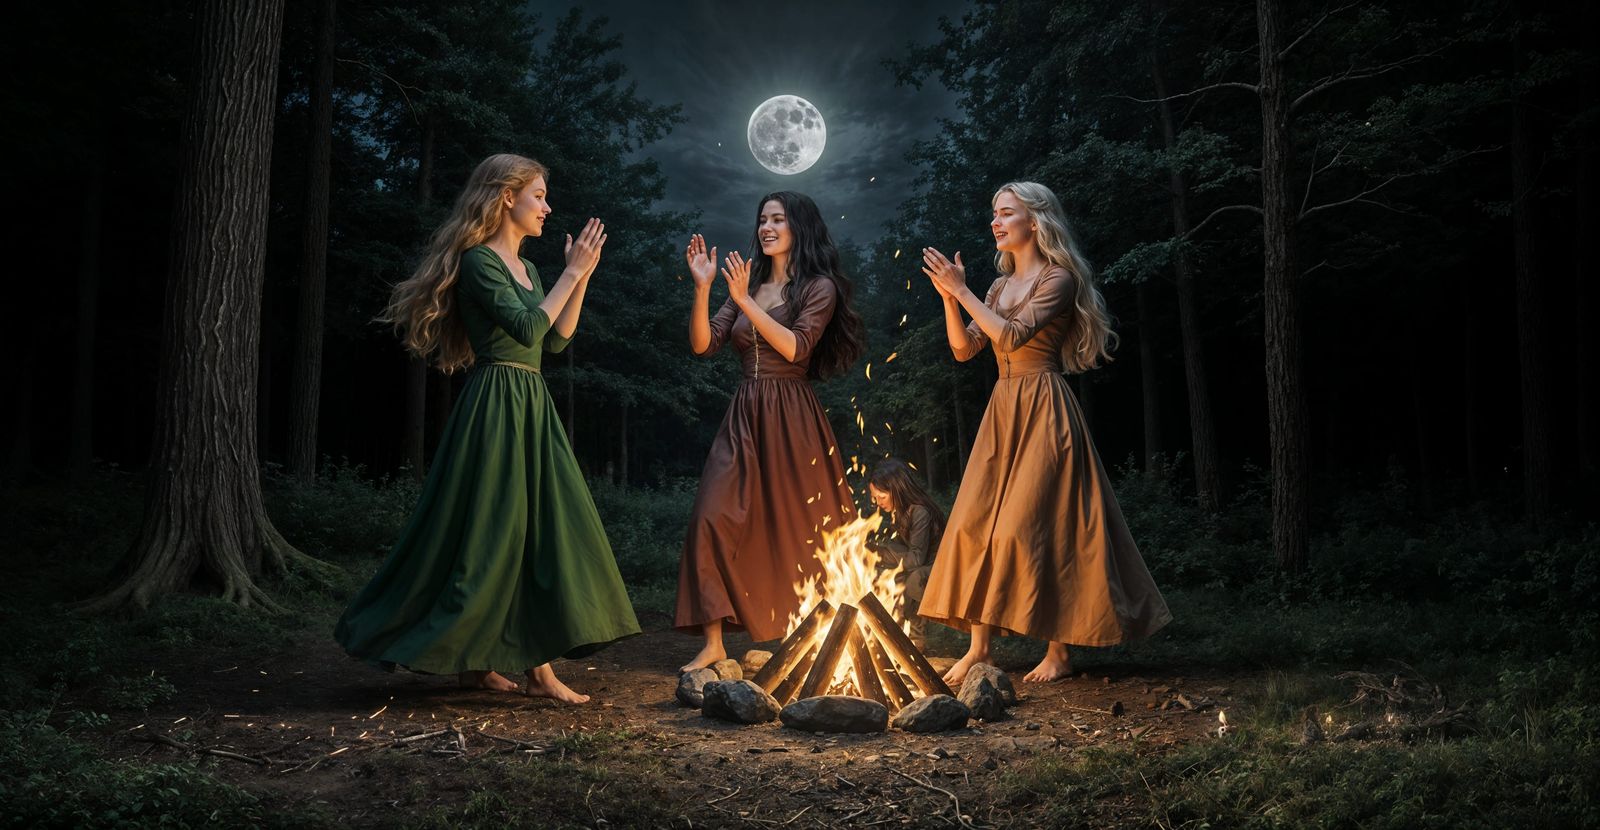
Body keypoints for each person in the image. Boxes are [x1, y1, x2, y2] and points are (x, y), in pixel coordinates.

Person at [335, 153, 639, 703]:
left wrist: (582, 277)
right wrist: (570, 273)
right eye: (539, 195)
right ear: (506, 196)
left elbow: (554, 340)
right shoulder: (480, 263)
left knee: (538, 530)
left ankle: (527, 669)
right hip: (496, 403)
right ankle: (482, 663)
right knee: (491, 533)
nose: (548, 207)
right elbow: (525, 324)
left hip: (532, 403)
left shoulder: (531, 270)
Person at [916, 181, 1171, 686]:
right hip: (1003, 409)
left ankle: (1059, 651)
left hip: (1044, 406)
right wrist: (951, 296)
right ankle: (980, 648)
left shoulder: (1059, 279)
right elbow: (965, 351)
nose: (995, 221)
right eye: (993, 212)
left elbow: (1011, 335)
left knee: (1037, 528)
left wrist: (962, 289)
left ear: (1035, 221)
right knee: (974, 527)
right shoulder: (995, 286)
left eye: (1005, 213)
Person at [675, 191, 867, 672]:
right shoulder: (749, 284)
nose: (766, 227)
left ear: (799, 228)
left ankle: (817, 633)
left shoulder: (818, 287)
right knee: (711, 516)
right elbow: (704, 345)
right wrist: (705, 289)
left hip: (793, 415)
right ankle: (715, 640)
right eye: (763, 219)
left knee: (802, 528)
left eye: (778, 219)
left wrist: (743, 301)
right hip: (746, 413)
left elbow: (797, 349)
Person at [865, 459, 946, 650]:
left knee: (911, 579)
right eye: (874, 497)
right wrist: (872, 552)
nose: (877, 502)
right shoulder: (900, 513)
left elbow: (916, 558)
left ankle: (917, 641)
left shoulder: (920, 512)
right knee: (891, 576)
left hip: (939, 568)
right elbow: (901, 550)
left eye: (881, 496)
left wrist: (878, 555)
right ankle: (896, 636)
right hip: (921, 565)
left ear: (896, 489)